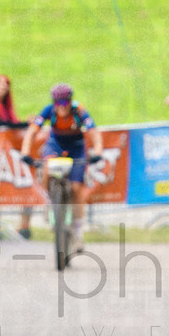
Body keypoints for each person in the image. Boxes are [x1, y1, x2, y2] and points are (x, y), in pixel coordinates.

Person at [20, 83, 103, 247]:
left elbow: (93, 132)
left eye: (65, 103)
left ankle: (78, 232)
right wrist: (25, 152)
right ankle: (51, 202)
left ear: (70, 101)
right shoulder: (48, 111)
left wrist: (98, 150)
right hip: (55, 145)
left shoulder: (79, 110)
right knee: (45, 167)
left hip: (76, 147)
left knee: (76, 188)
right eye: (58, 103)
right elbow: (32, 132)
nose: (61, 107)